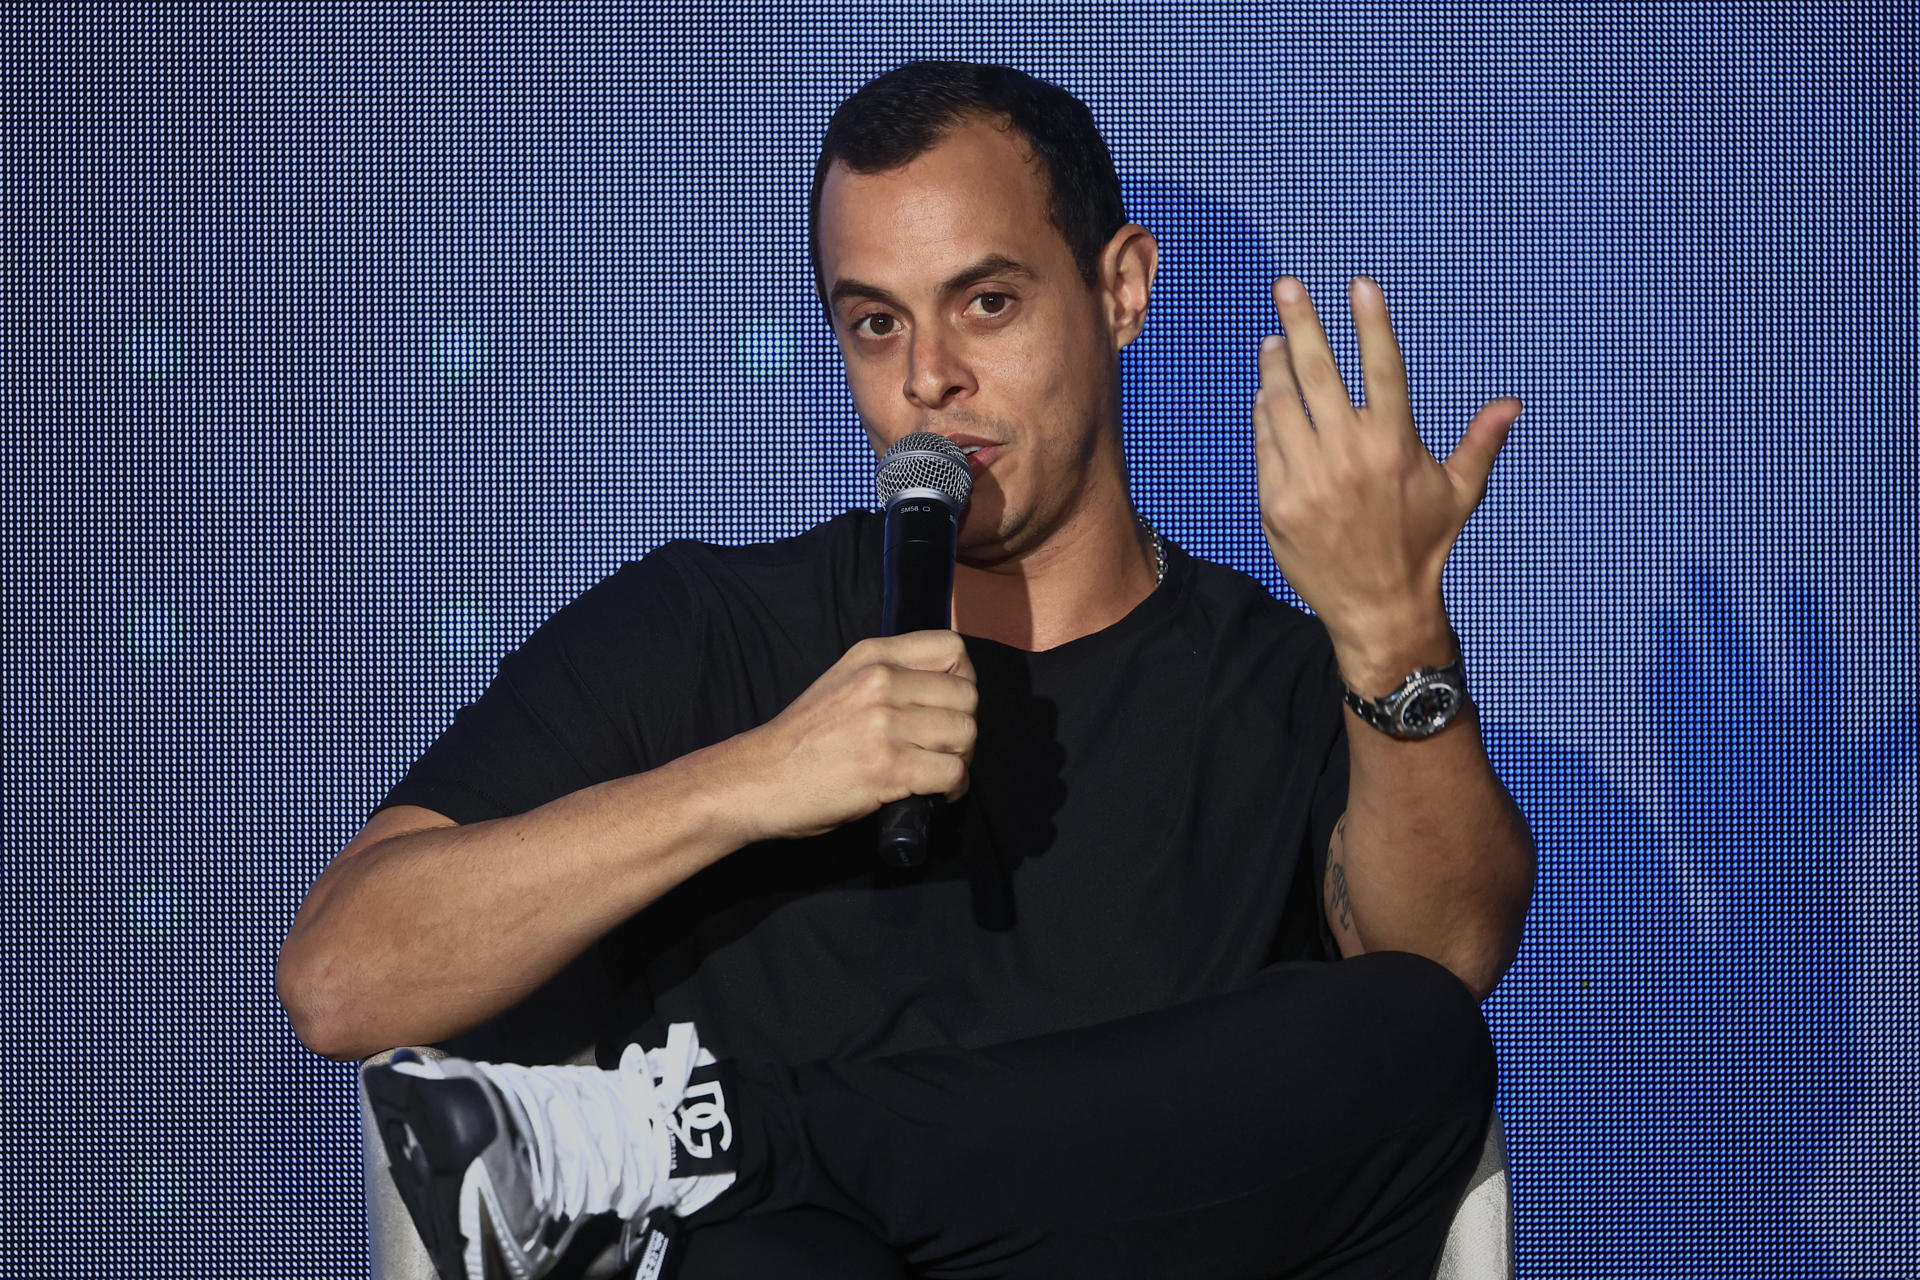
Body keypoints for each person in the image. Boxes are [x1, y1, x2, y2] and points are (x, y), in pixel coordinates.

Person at [278, 60, 1535, 1280]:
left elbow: (1445, 960)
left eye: (987, 301)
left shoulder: (1276, 678)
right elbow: (343, 980)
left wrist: (1389, 632)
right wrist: (751, 780)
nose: (928, 375)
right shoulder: (710, 629)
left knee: (1416, 1029)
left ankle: (711, 1146)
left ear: (1121, 288)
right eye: (875, 321)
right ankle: (740, 1173)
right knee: (769, 1255)